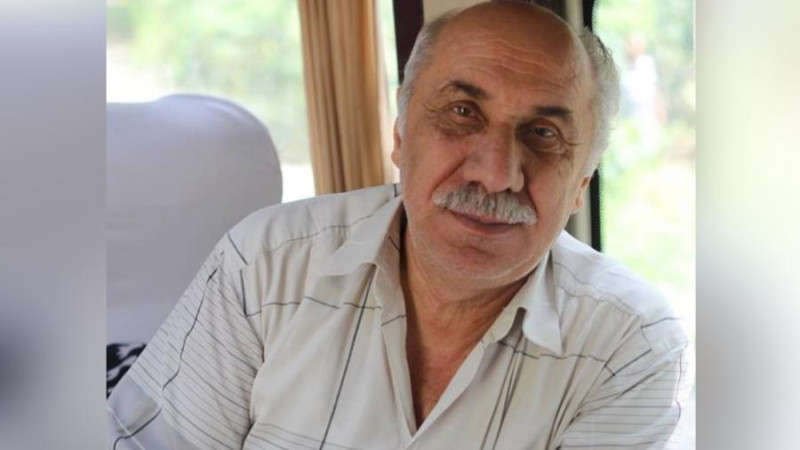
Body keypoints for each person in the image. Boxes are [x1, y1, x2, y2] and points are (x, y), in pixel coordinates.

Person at [108, 1, 690, 449]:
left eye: (543, 134)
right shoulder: (266, 264)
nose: (495, 175)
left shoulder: (627, 344)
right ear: (401, 135)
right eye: (462, 112)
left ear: (581, 183)